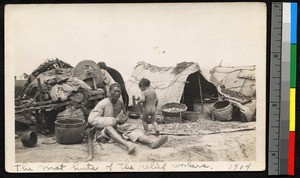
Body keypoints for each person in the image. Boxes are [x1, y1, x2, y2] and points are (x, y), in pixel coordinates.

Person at [88, 83, 168, 154]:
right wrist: (113, 120)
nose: (117, 94)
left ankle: (152, 142)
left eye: (119, 92)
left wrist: (124, 119)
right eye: (115, 91)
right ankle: (127, 145)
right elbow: (92, 119)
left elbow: (125, 115)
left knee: (132, 130)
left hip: (117, 128)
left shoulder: (120, 102)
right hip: (103, 130)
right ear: (109, 92)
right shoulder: (103, 103)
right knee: (109, 128)